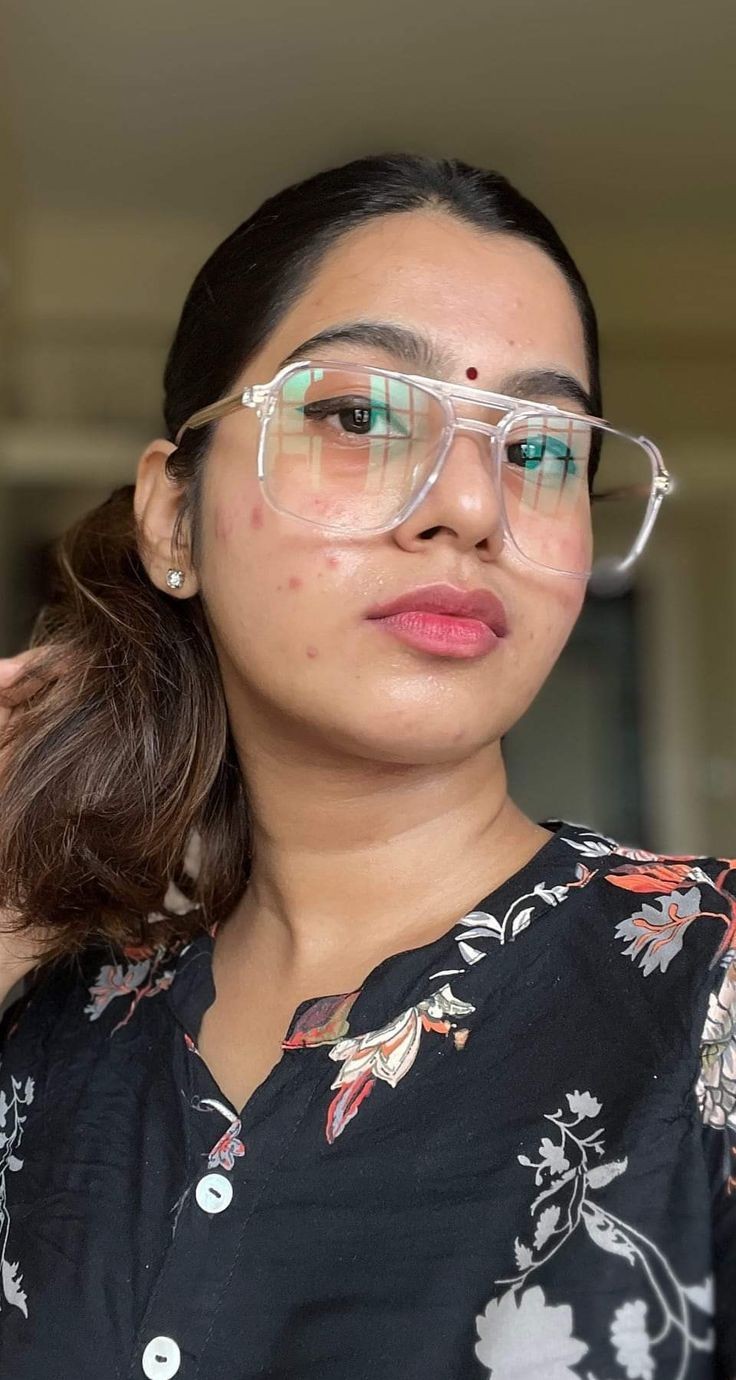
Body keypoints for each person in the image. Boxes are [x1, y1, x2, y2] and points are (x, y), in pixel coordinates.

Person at [0, 152, 732, 1380]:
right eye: (358, 415)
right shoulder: (50, 1027)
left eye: (541, 447)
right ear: (174, 518)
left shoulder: (710, 988)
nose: (471, 507)